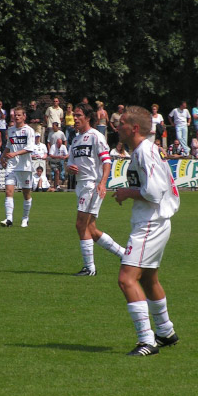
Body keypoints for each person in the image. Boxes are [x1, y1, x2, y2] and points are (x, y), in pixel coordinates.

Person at [112, 105, 180, 356]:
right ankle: (166, 332)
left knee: (126, 279)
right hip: (156, 221)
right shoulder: (144, 151)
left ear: (135, 128)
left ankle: (146, 341)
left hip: (150, 223)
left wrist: (125, 192)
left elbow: (152, 192)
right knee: (150, 279)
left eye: (121, 124)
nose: (117, 127)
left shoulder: (145, 152)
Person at [67, 103, 124, 276]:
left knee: (80, 224)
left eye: (78, 115)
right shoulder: (76, 139)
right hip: (81, 185)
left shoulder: (96, 136)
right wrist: (69, 168)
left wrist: (103, 182)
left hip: (92, 185)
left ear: (88, 117)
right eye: (74, 116)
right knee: (90, 228)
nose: (74, 118)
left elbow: (107, 161)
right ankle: (124, 254)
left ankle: (89, 268)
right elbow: (69, 163)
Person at [0, 107, 35, 227]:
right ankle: (9, 219)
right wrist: (2, 157)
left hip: (25, 166)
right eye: (15, 115)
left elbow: (30, 148)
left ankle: (25, 218)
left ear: (24, 116)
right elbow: (8, 146)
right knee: (8, 191)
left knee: (26, 193)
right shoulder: (11, 130)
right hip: (12, 165)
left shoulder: (29, 130)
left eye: (19, 115)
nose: (17, 117)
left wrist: (15, 153)